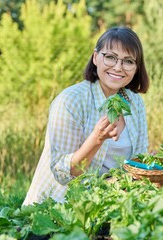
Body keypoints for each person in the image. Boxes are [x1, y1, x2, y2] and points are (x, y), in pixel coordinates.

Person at [23, 26, 150, 205]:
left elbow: (138, 161)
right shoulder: (70, 101)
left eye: (128, 61)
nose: (118, 67)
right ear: (96, 57)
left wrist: (149, 166)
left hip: (112, 202)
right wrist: (96, 139)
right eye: (110, 57)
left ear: (136, 67)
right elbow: (63, 173)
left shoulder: (135, 103)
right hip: (60, 208)